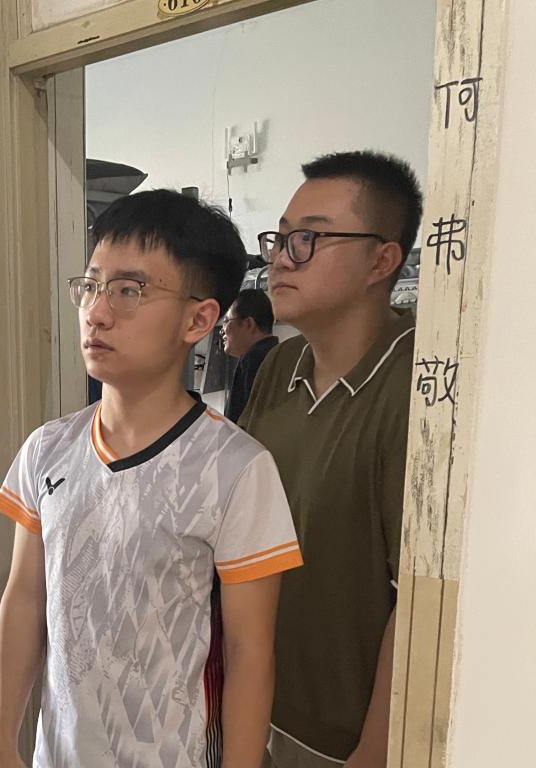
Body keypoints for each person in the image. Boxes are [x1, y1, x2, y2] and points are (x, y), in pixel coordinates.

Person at [0, 189, 303, 768]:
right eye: (91, 286)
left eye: (129, 291)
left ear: (199, 319)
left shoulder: (237, 468)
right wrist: (1, 741)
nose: (97, 312)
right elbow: (25, 598)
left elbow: (249, 653)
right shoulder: (46, 449)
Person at [242, 151, 423, 768]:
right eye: (279, 239)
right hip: (256, 705)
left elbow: (418, 594)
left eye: (308, 239)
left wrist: (375, 750)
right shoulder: (279, 366)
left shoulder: (414, 383)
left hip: (344, 741)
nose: (279, 258)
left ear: (381, 260)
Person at [222, 289, 279, 422]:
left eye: (227, 321)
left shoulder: (252, 360)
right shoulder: (278, 354)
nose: (222, 330)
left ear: (248, 324)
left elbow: (239, 425)